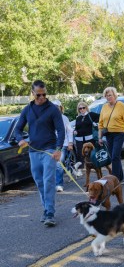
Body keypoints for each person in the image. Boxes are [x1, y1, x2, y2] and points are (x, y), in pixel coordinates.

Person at [15, 80, 65, 227]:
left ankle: (50, 212)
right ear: (32, 93)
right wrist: (20, 140)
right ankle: (46, 209)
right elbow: (18, 129)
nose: (41, 97)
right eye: (38, 95)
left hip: (49, 150)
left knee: (48, 180)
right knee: (39, 181)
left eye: (44, 95)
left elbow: (61, 130)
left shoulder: (53, 109)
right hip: (33, 150)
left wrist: (58, 149)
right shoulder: (27, 110)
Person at [98, 87, 124, 183]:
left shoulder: (121, 105)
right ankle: (120, 178)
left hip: (119, 133)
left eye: (110, 95)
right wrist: (100, 137)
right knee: (115, 157)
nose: (108, 97)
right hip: (108, 134)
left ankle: (114, 180)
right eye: (106, 95)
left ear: (114, 95)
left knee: (114, 156)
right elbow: (100, 123)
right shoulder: (104, 107)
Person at [52, 100, 74, 192]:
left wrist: (70, 143)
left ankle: (59, 184)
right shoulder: (48, 118)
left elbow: (69, 131)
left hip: (62, 144)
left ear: (61, 108)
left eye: (57, 107)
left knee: (59, 164)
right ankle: (52, 183)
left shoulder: (64, 118)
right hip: (51, 144)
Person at [73, 102, 99, 175]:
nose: (82, 109)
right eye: (80, 108)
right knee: (80, 153)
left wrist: (96, 123)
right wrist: (75, 131)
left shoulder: (91, 115)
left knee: (91, 153)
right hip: (79, 138)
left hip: (89, 138)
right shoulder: (78, 117)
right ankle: (80, 169)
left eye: (83, 108)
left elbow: (100, 117)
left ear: (86, 107)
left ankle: (95, 166)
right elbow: (76, 128)